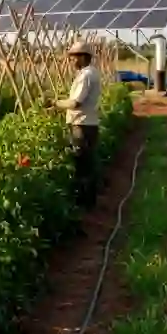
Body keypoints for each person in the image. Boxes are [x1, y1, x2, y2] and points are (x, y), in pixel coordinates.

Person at [53, 41, 102, 209]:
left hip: (82, 125)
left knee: (82, 164)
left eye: (73, 58)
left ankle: (85, 204)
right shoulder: (91, 73)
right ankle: (88, 201)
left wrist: (55, 104)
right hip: (89, 124)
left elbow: (76, 103)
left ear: (82, 57)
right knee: (87, 164)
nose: (71, 61)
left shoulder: (86, 75)